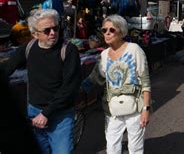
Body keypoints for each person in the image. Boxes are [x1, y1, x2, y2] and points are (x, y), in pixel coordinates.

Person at [0, 9, 81, 153]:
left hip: (60, 115)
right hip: (34, 112)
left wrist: (46, 113)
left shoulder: (68, 50)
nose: (53, 33)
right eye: (47, 30)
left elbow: (69, 88)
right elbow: (8, 67)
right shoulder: (29, 48)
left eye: (56, 28)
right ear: (34, 34)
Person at [82, 15, 151, 154]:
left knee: (135, 148)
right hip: (112, 109)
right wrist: (74, 91)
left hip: (135, 107)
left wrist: (146, 109)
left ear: (121, 31)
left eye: (111, 30)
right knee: (112, 147)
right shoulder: (104, 55)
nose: (107, 33)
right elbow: (95, 78)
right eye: (104, 30)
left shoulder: (134, 49)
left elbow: (145, 81)